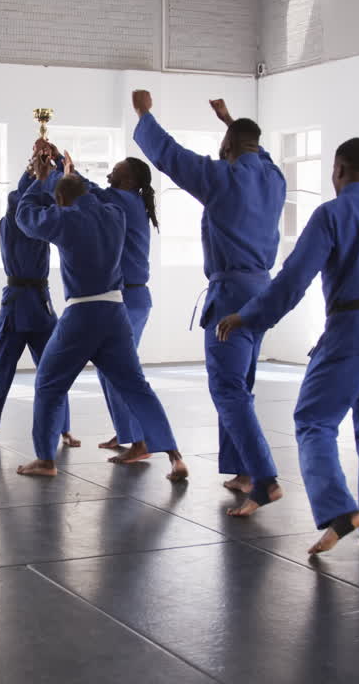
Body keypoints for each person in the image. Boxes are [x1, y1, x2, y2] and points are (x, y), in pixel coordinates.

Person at [217, 137, 359, 554]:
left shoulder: (332, 215)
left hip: (351, 333)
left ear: (338, 170)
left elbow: (293, 279)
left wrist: (247, 316)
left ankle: (339, 509)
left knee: (314, 421)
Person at [132, 90, 284, 517]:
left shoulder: (222, 177)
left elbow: (171, 156)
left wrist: (145, 113)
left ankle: (265, 478)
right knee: (241, 385)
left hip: (232, 294)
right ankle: (243, 470)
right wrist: (229, 122)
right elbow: (257, 152)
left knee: (226, 387)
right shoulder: (274, 179)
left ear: (228, 148)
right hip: (263, 292)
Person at [13, 148, 187, 482]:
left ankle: (45, 458)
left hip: (82, 313)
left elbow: (26, 216)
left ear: (61, 201)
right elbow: (89, 192)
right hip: (116, 311)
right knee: (137, 387)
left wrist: (37, 182)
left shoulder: (65, 220)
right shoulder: (114, 214)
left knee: (49, 384)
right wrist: (64, 173)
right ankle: (175, 456)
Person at [0, 140, 80, 450]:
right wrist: (39, 174)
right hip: (17, 306)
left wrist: (49, 165)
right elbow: (33, 196)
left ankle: (64, 430)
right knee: (3, 370)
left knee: (54, 370)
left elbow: (50, 199)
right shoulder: (12, 224)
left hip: (40, 306)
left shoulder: (37, 222)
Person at [73, 156, 159, 458]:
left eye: (120, 165)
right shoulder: (124, 200)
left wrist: (62, 165)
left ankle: (140, 442)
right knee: (110, 369)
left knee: (122, 372)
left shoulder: (124, 201)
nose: (113, 166)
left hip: (130, 300)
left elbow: (89, 191)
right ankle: (128, 434)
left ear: (130, 179)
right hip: (128, 299)